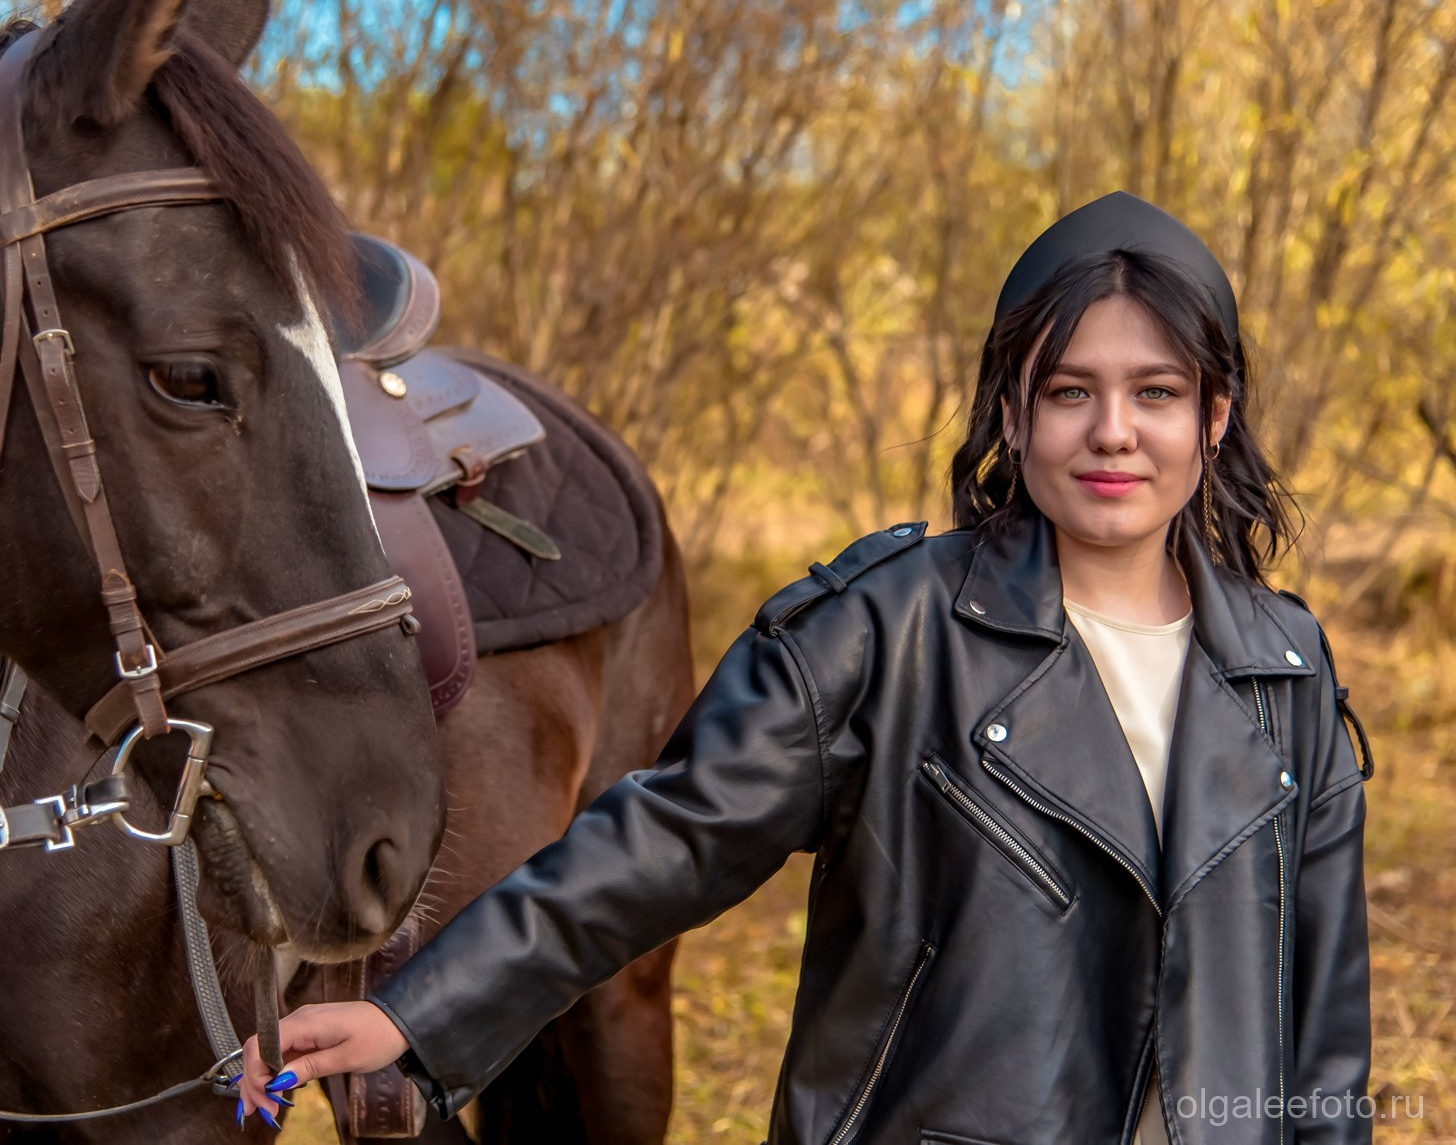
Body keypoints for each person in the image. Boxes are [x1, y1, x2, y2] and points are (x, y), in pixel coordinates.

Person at [236, 192, 1376, 1144]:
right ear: (1015, 414)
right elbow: (663, 843)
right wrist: (419, 1015)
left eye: (1157, 393)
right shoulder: (888, 629)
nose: (1114, 431)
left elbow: (1322, 1032)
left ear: (1215, 417)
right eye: (1071, 390)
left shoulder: (1286, 670)